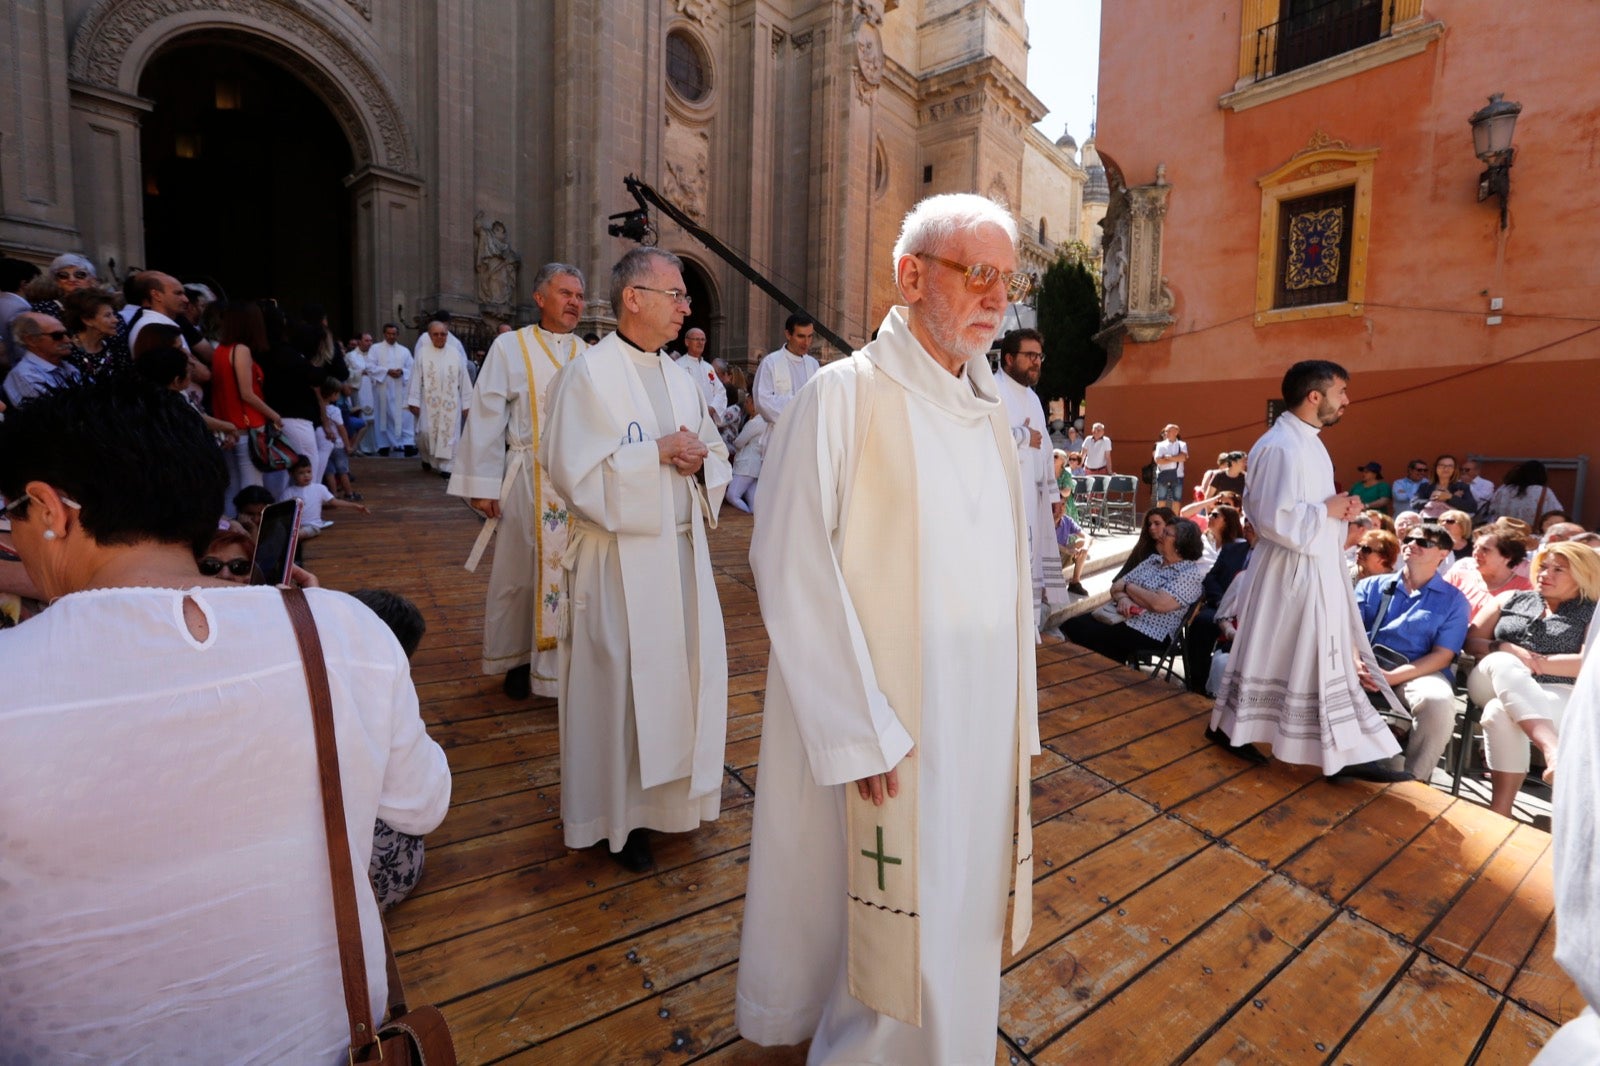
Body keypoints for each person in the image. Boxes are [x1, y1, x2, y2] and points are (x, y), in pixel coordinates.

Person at [0, 374, 451, 1060]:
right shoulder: (344, 631)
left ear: (50, 509)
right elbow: (421, 804)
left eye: (14, 520)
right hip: (327, 1043)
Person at [736, 193, 1039, 1064]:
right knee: (896, 917)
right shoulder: (843, 398)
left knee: (962, 905)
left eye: (1004, 282)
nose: (994, 299)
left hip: (980, 722)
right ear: (911, 276)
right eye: (975, 274)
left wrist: (1020, 715)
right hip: (887, 723)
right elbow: (788, 563)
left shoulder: (990, 416)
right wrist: (856, 727)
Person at [539, 246, 731, 873]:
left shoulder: (681, 376)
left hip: (678, 554)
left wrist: (701, 460)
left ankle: (670, 807)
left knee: (680, 677)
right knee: (621, 687)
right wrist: (654, 455)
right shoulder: (588, 375)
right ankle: (618, 820)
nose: (686, 307)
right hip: (618, 560)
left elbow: (714, 453)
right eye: (675, 295)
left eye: (684, 297)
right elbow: (572, 472)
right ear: (634, 298)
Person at [1208, 360, 1407, 781]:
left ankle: (1333, 748)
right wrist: (1327, 511)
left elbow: (1304, 508)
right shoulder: (1282, 445)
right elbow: (1272, 519)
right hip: (1290, 573)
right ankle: (1318, 748)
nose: (1346, 400)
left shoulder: (1306, 440)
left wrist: (1340, 512)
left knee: (1308, 656)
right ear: (1314, 396)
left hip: (1311, 567)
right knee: (1301, 654)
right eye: (1341, 392)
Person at [449, 262, 587, 700]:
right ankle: (518, 659)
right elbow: (487, 416)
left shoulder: (589, 354)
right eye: (565, 293)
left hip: (578, 485)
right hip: (526, 479)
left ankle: (570, 663)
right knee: (520, 574)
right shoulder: (510, 347)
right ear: (540, 298)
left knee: (577, 575)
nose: (575, 302)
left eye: (580, 296)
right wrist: (483, 485)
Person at [1465, 541, 1599, 816]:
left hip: (1557, 689)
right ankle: (1552, 750)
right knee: (1504, 661)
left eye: (1558, 569)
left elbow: (1586, 664)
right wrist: (1503, 647)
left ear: (1582, 575)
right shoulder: (1510, 598)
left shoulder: (1593, 612)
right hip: (1489, 680)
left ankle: (1500, 809)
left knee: (1499, 714)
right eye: (1543, 567)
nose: (1544, 574)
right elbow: (1471, 641)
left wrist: (1536, 663)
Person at [1353, 523, 1472, 780]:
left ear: (1443, 554)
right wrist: (1355, 662)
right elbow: (1346, 629)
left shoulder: (1455, 600)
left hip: (1416, 671)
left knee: (1438, 702)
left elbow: (1443, 655)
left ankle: (1414, 780)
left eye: (1424, 542)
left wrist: (1392, 677)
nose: (1412, 544)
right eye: (1409, 539)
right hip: (1361, 663)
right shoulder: (1371, 585)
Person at [997, 328, 1068, 632]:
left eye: (1039, 356)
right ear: (1009, 358)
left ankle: (1025, 637)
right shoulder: (990, 390)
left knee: (1028, 574)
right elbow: (978, 438)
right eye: (1030, 355)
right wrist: (1024, 436)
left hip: (1032, 498)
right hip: (1002, 502)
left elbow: (1047, 450)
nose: (1037, 362)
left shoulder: (1034, 399)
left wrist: (1054, 498)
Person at [1064, 519, 1207, 661]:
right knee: (1073, 624)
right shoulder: (1153, 560)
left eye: (1166, 533)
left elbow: (1158, 604)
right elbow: (1116, 587)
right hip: (1121, 617)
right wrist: (1124, 599)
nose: (1160, 535)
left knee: (1095, 635)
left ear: (1180, 544)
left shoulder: (1189, 574)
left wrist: (1128, 587)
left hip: (1151, 631)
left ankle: (1097, 675)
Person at [210, 303, 283, 515]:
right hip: (247, 426)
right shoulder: (241, 350)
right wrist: (274, 415)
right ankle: (254, 539)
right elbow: (247, 393)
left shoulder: (220, 351)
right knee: (253, 489)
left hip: (229, 425)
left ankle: (232, 534)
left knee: (233, 486)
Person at [407, 318, 472, 476]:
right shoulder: (422, 352)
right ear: (429, 335)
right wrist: (413, 400)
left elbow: (464, 379)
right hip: (428, 401)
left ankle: (447, 467)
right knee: (425, 432)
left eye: (443, 334)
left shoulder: (455, 353)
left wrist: (467, 404)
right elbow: (415, 377)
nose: (440, 337)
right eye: (436, 334)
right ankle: (426, 457)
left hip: (451, 402)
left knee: (450, 435)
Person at [753, 313, 820, 436]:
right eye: (801, 336)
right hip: (780, 432)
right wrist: (798, 407)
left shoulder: (814, 364)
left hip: (808, 432)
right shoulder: (771, 362)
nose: (806, 342)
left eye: (810, 336)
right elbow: (762, 401)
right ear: (788, 334)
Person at [280, 454, 369, 537]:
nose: (306, 475)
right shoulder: (288, 492)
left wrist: (354, 506)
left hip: (312, 526)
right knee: (288, 532)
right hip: (293, 526)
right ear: (291, 474)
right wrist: (290, 504)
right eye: (301, 473)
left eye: (308, 471)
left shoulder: (319, 488)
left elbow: (334, 502)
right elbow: (281, 512)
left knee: (296, 535)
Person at [3, 311, 80, 405]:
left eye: (67, 333)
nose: (67, 340)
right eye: (57, 336)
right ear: (31, 340)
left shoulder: (65, 365)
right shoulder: (26, 376)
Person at [368, 323, 414, 456]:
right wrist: (386, 371)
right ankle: (384, 445)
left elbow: (412, 368)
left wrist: (402, 372)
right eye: (389, 333)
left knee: (404, 416)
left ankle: (407, 444)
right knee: (383, 416)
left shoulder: (404, 351)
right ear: (384, 334)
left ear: (397, 335)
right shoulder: (375, 348)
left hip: (400, 388)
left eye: (394, 334)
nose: (391, 336)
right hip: (383, 388)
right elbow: (369, 366)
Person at [61, 288, 128, 374]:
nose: (116, 320)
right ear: (87, 320)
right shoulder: (69, 354)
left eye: (113, 314)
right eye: (107, 316)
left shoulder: (115, 344)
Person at [674, 326, 729, 428]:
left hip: (708, 420)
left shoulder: (709, 368)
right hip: (688, 420)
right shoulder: (678, 366)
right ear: (687, 342)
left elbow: (720, 391)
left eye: (703, 340)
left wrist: (712, 408)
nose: (700, 342)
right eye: (697, 339)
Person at [1487, 460, 1563, 527]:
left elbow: (1492, 510)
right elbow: (1557, 514)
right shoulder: (1545, 492)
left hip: (1503, 533)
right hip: (1531, 536)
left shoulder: (1503, 490)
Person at [724, 394, 767, 514]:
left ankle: (747, 515)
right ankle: (752, 518)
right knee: (752, 499)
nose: (746, 405)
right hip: (754, 464)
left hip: (746, 464)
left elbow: (739, 442)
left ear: (755, 405)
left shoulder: (755, 422)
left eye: (748, 402)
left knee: (732, 495)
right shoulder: (764, 421)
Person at [1113, 505, 1179, 580]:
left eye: (1157, 523)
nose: (1152, 527)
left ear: (1169, 525)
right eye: (1150, 524)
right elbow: (1120, 578)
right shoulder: (1142, 549)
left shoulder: (1181, 553)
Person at [1410, 455, 1476, 517]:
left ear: (1454, 470)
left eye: (1450, 466)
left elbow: (1472, 507)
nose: (1446, 468)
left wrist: (1450, 497)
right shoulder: (1425, 486)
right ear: (1436, 468)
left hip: (1451, 522)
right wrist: (1432, 499)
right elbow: (1414, 503)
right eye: (1442, 465)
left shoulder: (1461, 486)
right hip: (1429, 521)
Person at [1152, 422, 1189, 504]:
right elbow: (1158, 460)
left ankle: (1175, 517)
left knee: (1176, 500)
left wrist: (1169, 457)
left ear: (1176, 432)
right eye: (1166, 431)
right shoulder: (1160, 445)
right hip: (1163, 474)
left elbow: (1183, 457)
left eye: (1169, 431)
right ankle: (1161, 516)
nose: (1166, 433)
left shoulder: (1182, 444)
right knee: (1161, 499)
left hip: (1178, 475)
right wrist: (1176, 458)